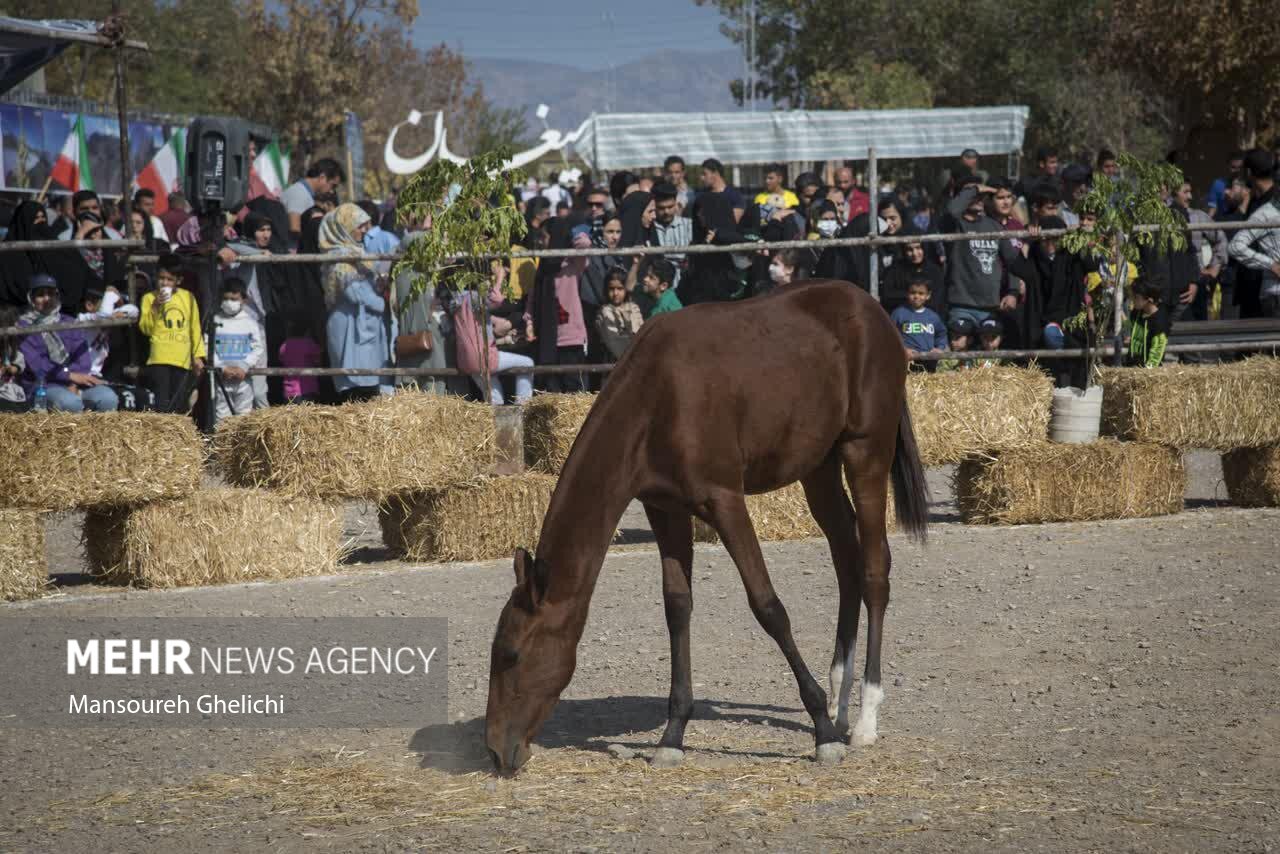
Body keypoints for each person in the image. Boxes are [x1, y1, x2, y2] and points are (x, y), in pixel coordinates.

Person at [320, 204, 395, 402]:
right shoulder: (339, 259)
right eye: (359, 225)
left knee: (371, 382)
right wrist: (383, 304)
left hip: (365, 325)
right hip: (349, 328)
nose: (364, 230)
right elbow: (355, 293)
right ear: (344, 227)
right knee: (355, 385)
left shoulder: (358, 253)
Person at [941, 179, 1036, 334]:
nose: (978, 198)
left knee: (990, 353)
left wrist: (1012, 292)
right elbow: (952, 210)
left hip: (991, 306)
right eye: (974, 195)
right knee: (960, 349)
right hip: (961, 305)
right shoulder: (954, 224)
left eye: (982, 196)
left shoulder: (994, 226)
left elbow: (1012, 260)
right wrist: (975, 188)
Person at [17, 273, 119, 412]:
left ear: (57, 296)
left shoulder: (68, 322)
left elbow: (82, 356)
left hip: (75, 382)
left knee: (108, 398)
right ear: (31, 299)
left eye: (51, 294)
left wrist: (73, 382)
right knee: (70, 404)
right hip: (43, 384)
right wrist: (68, 376)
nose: (47, 299)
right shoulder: (22, 326)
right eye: (41, 295)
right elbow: (36, 364)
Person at [526, 219, 591, 393]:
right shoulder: (542, 268)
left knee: (573, 387)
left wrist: (568, 236)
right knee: (551, 388)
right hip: (547, 339)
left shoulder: (572, 264)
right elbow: (532, 300)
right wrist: (530, 324)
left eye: (544, 236)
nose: (540, 241)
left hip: (570, 338)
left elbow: (584, 243)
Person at [138, 254, 205, 412]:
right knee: (162, 404)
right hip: (159, 358)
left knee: (180, 404)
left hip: (182, 359)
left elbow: (195, 327)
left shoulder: (188, 297)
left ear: (178, 281)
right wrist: (155, 307)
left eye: (169, 280)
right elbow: (145, 328)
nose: (164, 283)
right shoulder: (149, 298)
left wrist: (197, 355)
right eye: (161, 278)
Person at [1227, 149, 1280, 317]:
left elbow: (1237, 244)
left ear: (1249, 172)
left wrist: (1271, 264)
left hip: (1265, 288)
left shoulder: (1267, 207)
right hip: (1257, 289)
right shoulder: (1258, 203)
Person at [210, 278, 265, 423]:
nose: (229, 303)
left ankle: (241, 446)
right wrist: (221, 367)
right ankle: (223, 445)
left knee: (244, 416)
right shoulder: (215, 321)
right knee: (222, 417)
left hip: (244, 380)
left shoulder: (250, 322)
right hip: (221, 379)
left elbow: (258, 347)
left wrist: (244, 366)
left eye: (234, 299)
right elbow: (206, 346)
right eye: (226, 298)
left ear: (244, 300)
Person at [281, 158, 344, 242]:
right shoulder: (299, 193)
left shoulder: (305, 194)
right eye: (333, 185)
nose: (332, 191)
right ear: (322, 177)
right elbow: (295, 230)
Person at [891, 279, 947, 371]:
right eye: (913, 293)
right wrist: (903, 349)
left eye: (921, 293)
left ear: (928, 295)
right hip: (908, 361)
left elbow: (941, 334)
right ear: (907, 293)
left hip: (929, 360)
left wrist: (939, 348)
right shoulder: (899, 313)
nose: (916, 296)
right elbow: (891, 335)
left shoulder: (933, 316)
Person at [595, 268, 644, 361]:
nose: (615, 293)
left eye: (620, 288)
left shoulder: (633, 307)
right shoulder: (605, 311)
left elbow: (639, 332)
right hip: (615, 360)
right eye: (611, 289)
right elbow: (614, 341)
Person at [1126, 277, 1171, 368]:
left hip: (1147, 372)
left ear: (1149, 300)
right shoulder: (1136, 313)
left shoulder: (1160, 322)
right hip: (1132, 366)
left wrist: (1148, 371)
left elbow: (1157, 350)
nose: (1132, 300)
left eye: (1136, 297)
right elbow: (1130, 328)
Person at [278, 317, 323, 404]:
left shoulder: (284, 345)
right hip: (306, 390)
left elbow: (281, 360)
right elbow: (318, 361)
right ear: (307, 331)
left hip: (288, 391)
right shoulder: (309, 343)